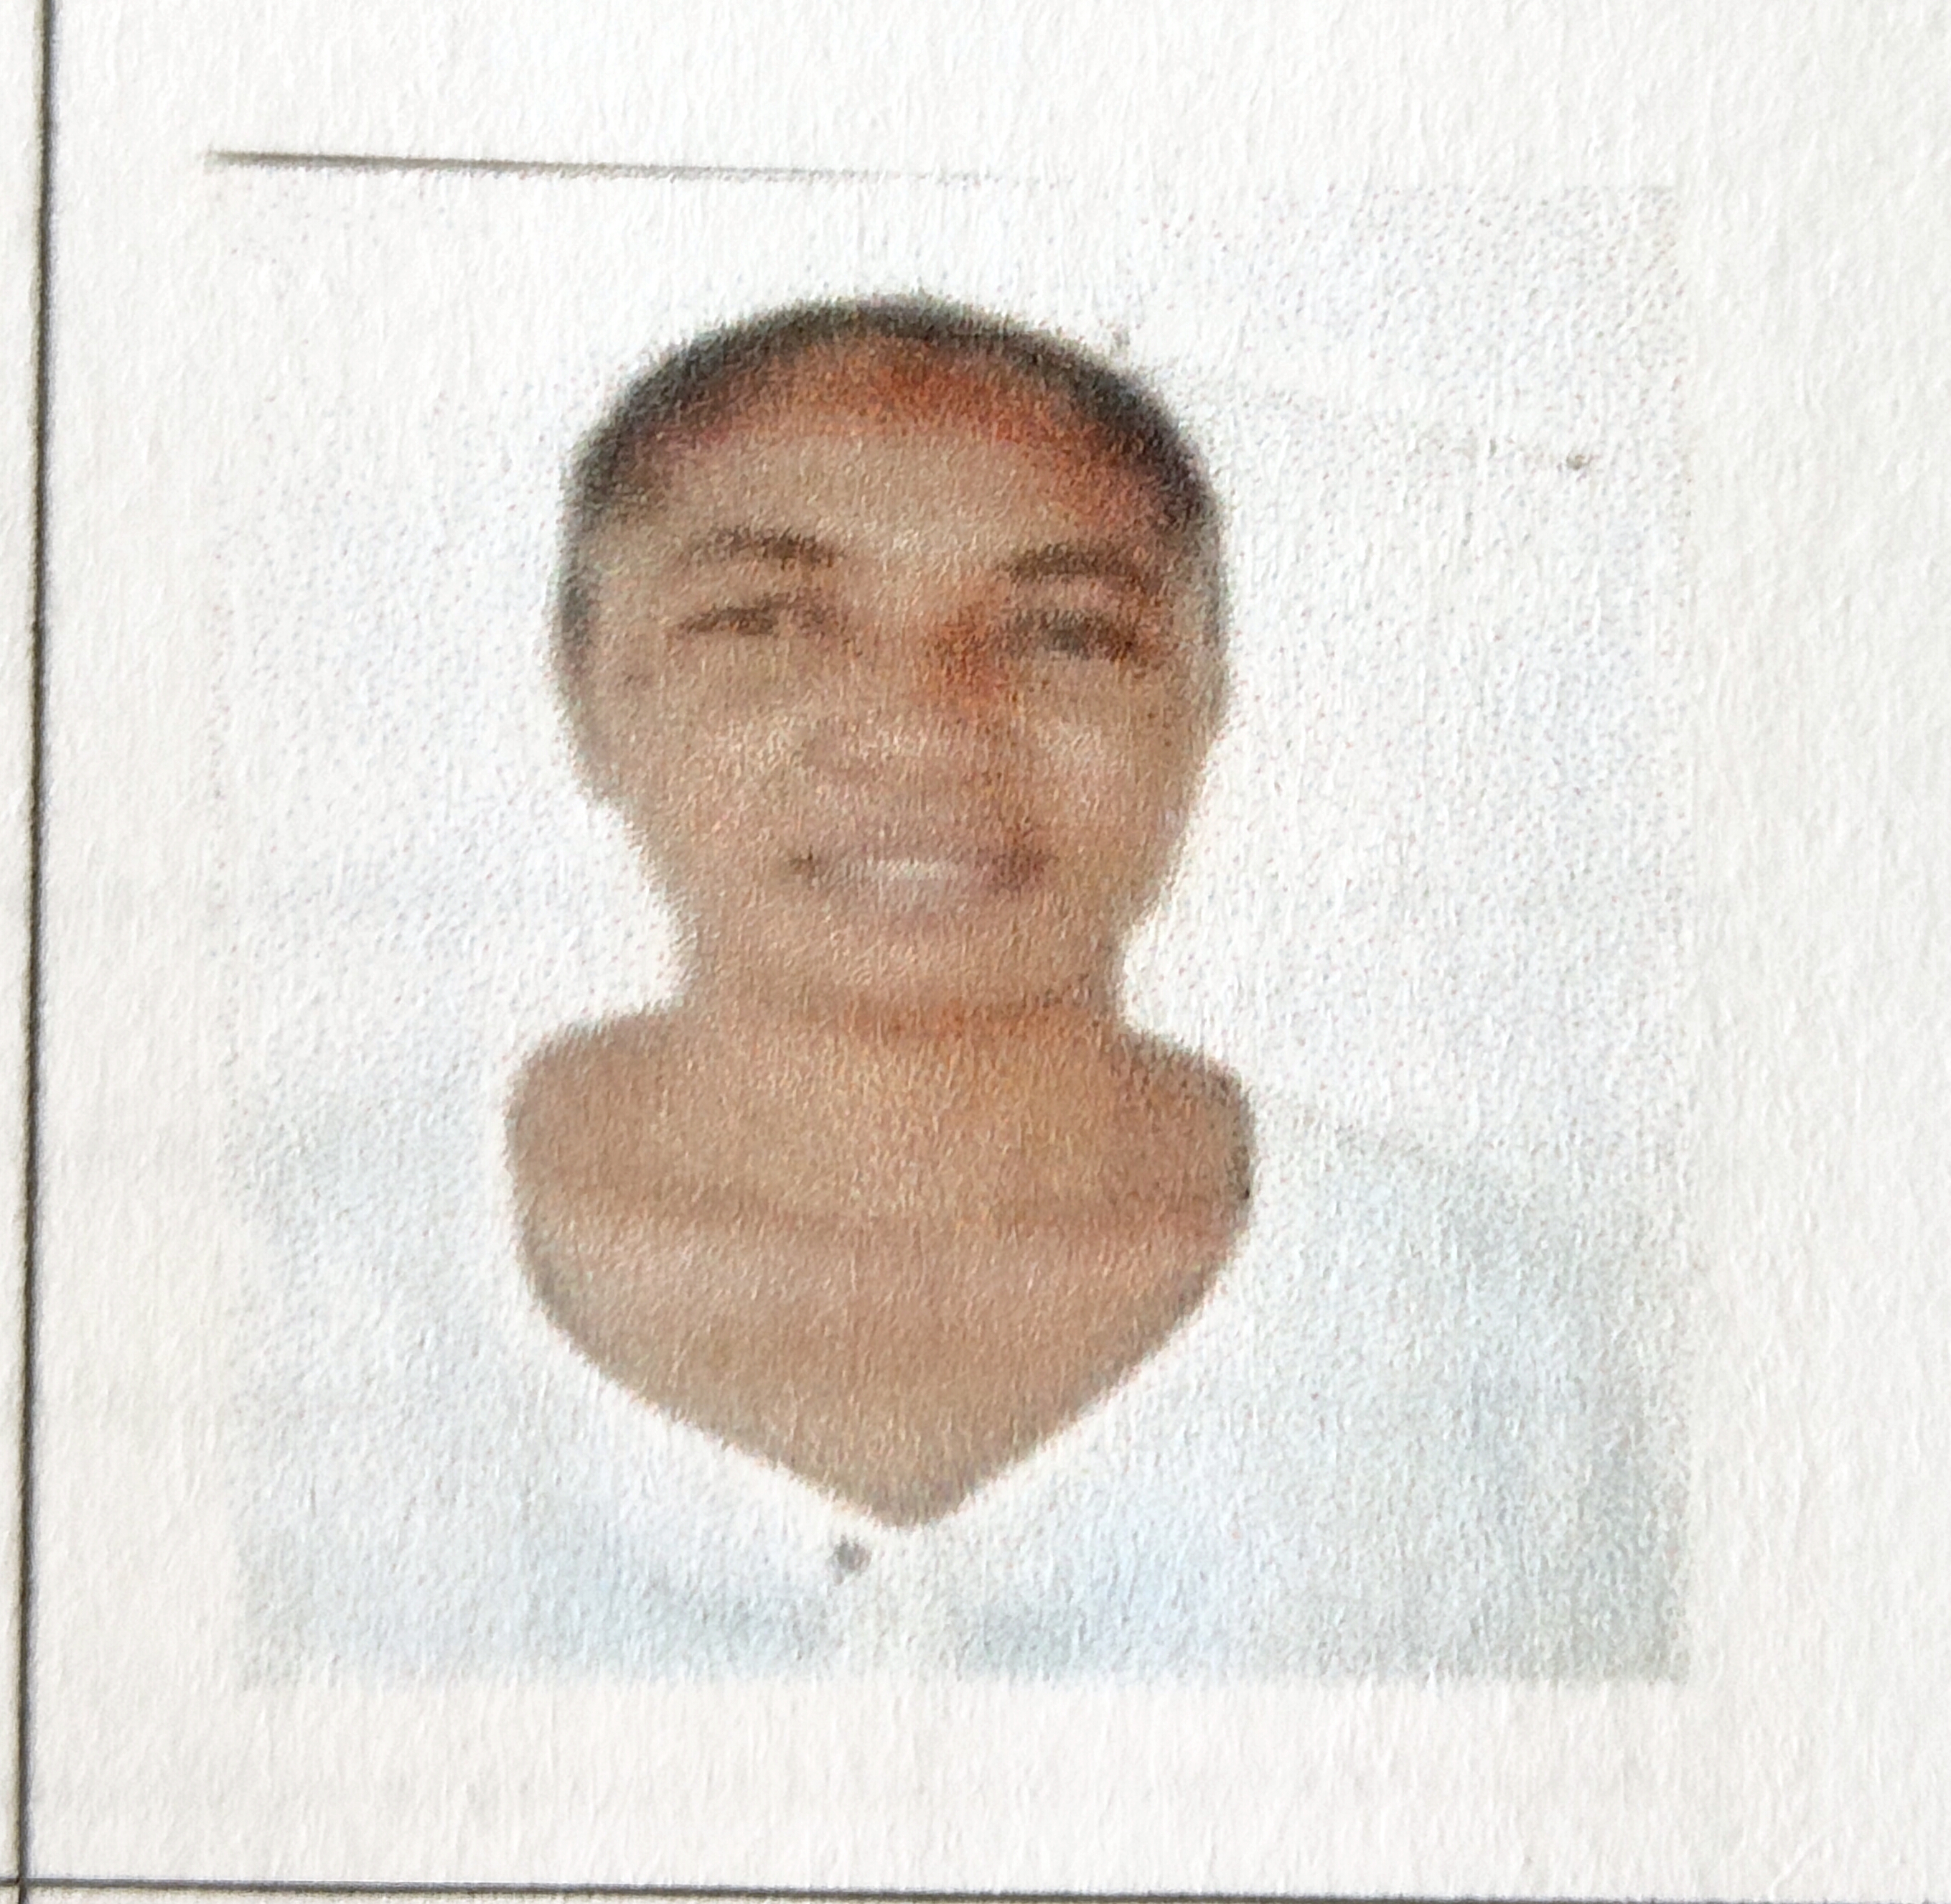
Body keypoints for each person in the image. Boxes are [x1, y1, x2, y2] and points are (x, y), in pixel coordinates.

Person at [244, 297, 1678, 1677]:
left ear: (1201, 703)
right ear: (589, 695)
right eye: (767, 622)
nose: (924, 730)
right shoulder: (275, 1287)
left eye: (1065, 633)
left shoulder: (1483, 1325)